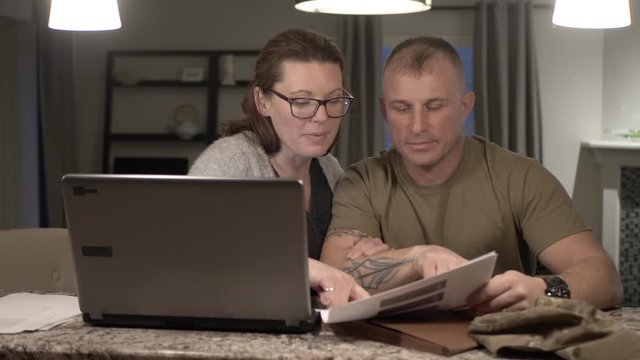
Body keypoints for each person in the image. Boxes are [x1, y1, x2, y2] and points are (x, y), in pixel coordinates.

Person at [320, 36, 623, 313]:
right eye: (402, 108)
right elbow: (333, 274)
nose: (417, 126)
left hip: (499, 340)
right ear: (385, 112)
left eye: (434, 106)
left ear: (465, 107)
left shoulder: (521, 176)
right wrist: (418, 258)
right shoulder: (363, 181)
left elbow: (604, 278)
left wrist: (543, 290)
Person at [188, 28, 388, 307]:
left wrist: (363, 251)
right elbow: (191, 254)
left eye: (332, 100)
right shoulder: (230, 160)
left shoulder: (330, 171)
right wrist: (305, 268)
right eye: (302, 102)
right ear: (263, 102)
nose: (321, 117)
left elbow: (343, 261)